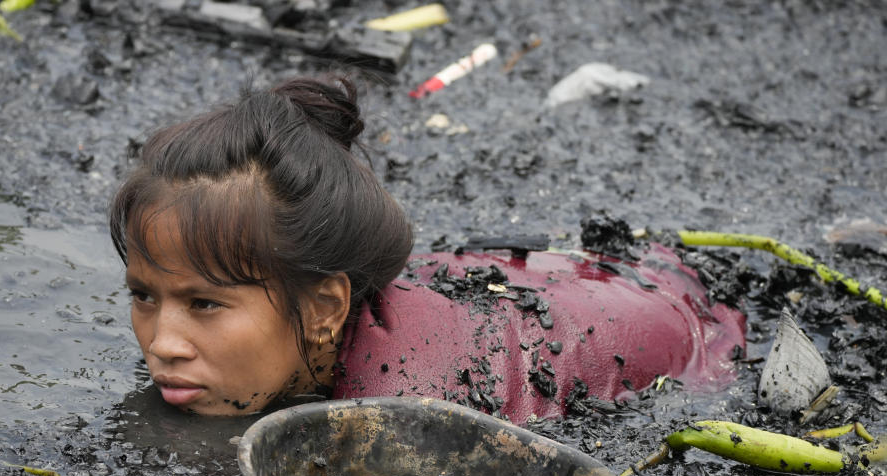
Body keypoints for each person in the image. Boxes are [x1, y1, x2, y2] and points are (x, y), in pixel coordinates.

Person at [108, 75, 746, 423]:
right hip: (492, 292)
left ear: (327, 308)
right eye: (144, 294)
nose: (162, 341)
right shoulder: (287, 320)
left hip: (676, 325)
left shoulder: (410, 412)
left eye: (204, 304)